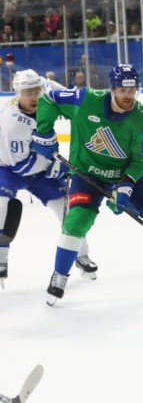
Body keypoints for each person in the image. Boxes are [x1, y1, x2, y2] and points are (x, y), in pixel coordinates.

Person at [31, 64, 143, 306]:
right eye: (123, 91)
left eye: (132, 91)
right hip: (87, 175)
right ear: (112, 89)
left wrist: (126, 184)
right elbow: (49, 99)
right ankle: (60, 275)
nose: (128, 96)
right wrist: (44, 132)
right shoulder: (85, 99)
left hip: (123, 176)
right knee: (76, 222)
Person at [0, 69, 97, 289]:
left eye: (36, 90)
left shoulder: (46, 90)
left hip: (39, 166)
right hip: (8, 167)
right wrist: (55, 167)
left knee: (66, 208)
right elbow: (19, 165)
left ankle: (81, 255)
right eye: (27, 92)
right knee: (1, 204)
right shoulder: (12, 124)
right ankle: (1, 259)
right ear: (17, 93)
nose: (33, 96)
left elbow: (69, 96)